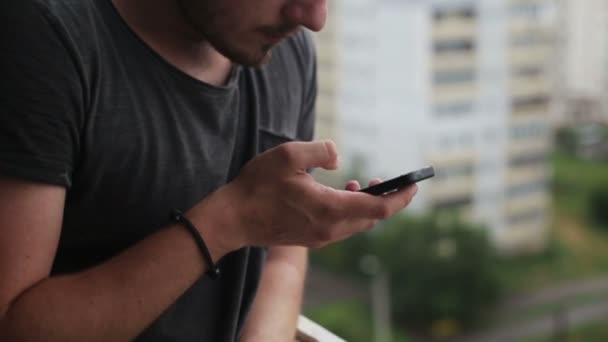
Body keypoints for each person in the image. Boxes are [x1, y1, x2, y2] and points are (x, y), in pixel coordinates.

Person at [0, 0, 418, 340]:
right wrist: (228, 220)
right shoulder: (40, 36)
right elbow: (11, 324)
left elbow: (280, 257)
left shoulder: (287, 53)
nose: (313, 17)